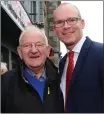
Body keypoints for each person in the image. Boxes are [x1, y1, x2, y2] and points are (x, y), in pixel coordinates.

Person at [53, 3, 104, 113]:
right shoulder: (62, 63)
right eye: (60, 22)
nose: (66, 26)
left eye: (71, 20)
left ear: (82, 23)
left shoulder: (101, 53)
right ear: (54, 28)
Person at [1, 26, 64, 113]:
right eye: (27, 45)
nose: (34, 50)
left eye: (39, 45)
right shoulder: (5, 82)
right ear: (20, 52)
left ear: (48, 50)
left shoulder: (61, 81)